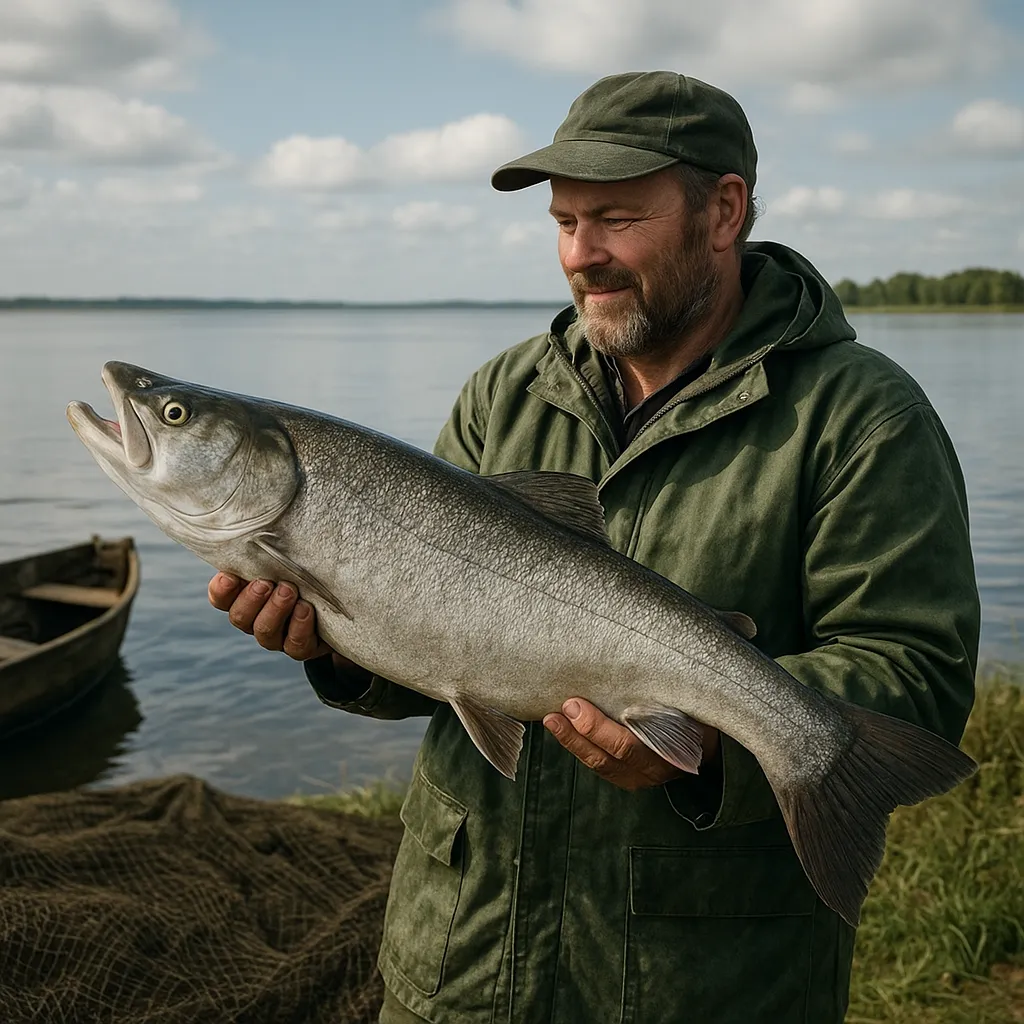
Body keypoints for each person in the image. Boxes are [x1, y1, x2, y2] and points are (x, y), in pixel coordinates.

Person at [208, 71, 980, 1023]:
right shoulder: (505, 393)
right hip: (460, 968)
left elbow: (917, 668)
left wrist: (706, 755)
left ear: (723, 210)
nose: (583, 255)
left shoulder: (861, 416)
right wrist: (333, 649)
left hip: (705, 987)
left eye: (616, 218)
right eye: (565, 223)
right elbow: (435, 654)